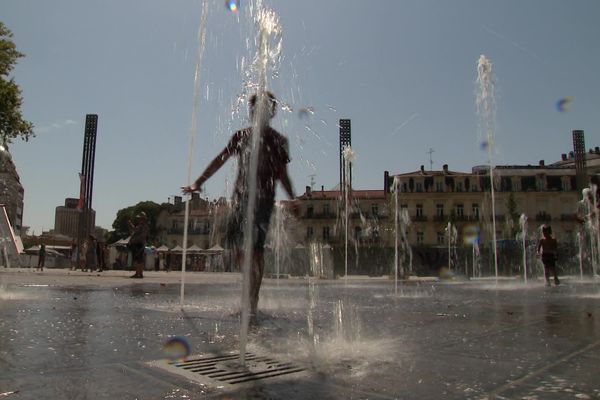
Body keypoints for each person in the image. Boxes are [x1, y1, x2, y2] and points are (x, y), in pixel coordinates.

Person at [182, 91, 296, 318]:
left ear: (271, 112)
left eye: (264, 108)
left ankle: (252, 302)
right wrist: (198, 182)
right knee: (239, 250)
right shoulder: (241, 136)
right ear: (251, 111)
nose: (258, 112)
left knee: (255, 250)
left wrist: (292, 198)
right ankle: (249, 292)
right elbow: (220, 159)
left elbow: (282, 174)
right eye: (255, 108)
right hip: (240, 201)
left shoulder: (278, 140)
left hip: (262, 201)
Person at [128, 212, 149, 278]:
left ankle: (137, 273)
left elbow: (134, 230)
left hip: (138, 244)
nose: (138, 220)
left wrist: (130, 224)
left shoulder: (141, 226)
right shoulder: (145, 226)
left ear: (142, 219)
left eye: (139, 219)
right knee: (141, 259)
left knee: (137, 259)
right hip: (141, 243)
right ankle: (140, 273)